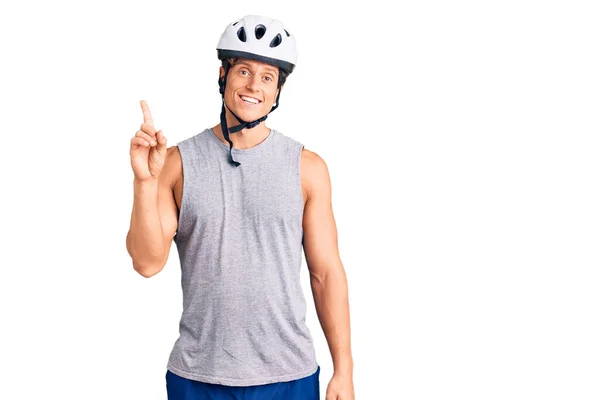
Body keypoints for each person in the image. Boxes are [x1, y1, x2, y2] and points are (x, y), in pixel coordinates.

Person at [126, 15, 354, 400]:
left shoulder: (308, 168)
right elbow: (147, 263)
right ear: (223, 75)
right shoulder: (178, 163)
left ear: (278, 89)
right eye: (243, 71)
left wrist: (343, 371)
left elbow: (326, 273)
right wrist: (145, 183)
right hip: (198, 377)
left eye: (267, 77)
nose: (253, 86)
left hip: (289, 376)